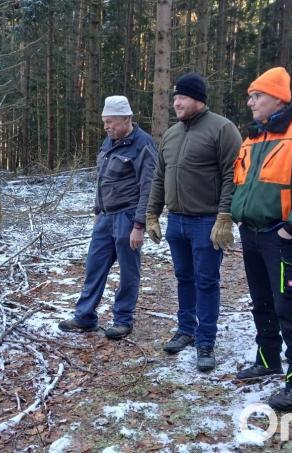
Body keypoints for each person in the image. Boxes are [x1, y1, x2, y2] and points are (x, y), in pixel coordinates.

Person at [230, 67, 292, 411]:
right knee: (261, 301)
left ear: (277, 98)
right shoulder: (253, 138)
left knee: (289, 305)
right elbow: (240, 184)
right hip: (252, 234)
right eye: (250, 96)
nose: (250, 102)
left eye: (256, 96)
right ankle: (267, 358)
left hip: (281, 237)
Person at [146, 73, 242, 371]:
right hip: (176, 221)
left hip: (207, 222)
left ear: (199, 99)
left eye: (182, 97)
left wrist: (225, 216)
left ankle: (205, 341)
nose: (176, 102)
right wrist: (152, 213)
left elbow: (232, 175)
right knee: (184, 278)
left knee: (206, 281)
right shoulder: (172, 135)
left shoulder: (222, 129)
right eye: (174, 97)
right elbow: (160, 176)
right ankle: (185, 330)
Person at [59, 95, 157, 340]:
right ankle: (85, 317)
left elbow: (149, 187)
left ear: (126, 119)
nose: (107, 127)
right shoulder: (109, 142)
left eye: (111, 122)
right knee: (94, 267)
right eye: (105, 122)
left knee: (128, 272)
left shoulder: (143, 145)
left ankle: (123, 320)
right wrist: (97, 211)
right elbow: (102, 180)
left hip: (127, 216)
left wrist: (139, 225)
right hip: (105, 218)